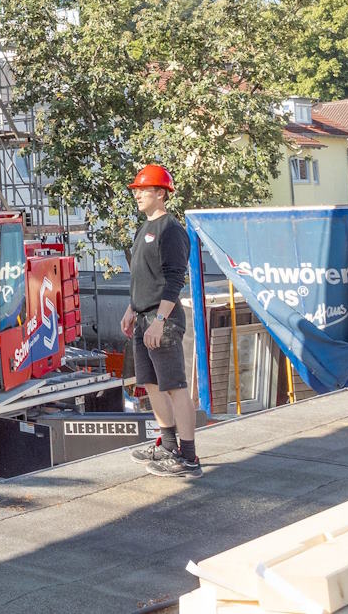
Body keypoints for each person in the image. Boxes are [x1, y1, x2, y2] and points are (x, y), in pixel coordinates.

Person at [122, 163, 201, 478]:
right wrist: (132, 308)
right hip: (144, 318)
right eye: (136, 190)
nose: (137, 195)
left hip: (162, 320)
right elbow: (143, 276)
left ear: (160, 193)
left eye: (143, 190)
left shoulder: (171, 230)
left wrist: (158, 319)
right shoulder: (144, 229)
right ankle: (168, 445)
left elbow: (173, 279)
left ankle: (189, 457)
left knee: (175, 387)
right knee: (152, 385)